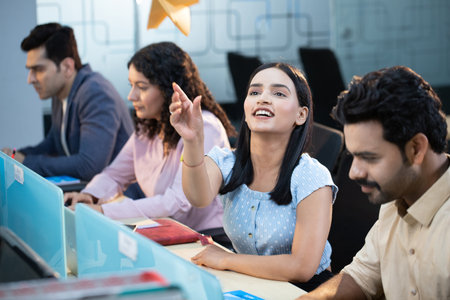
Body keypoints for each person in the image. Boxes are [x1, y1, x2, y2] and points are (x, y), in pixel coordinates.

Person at [170, 62, 337, 291]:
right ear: (247, 110)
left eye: (278, 93)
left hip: (305, 290)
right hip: (249, 283)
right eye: (255, 92)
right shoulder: (226, 162)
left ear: (301, 115)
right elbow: (198, 198)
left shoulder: (311, 176)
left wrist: (227, 259)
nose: (263, 99)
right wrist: (192, 140)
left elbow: (302, 268)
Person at [298, 66, 450, 299]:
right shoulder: (397, 196)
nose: (354, 172)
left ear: (416, 149)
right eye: (353, 156)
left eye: (369, 157)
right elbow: (362, 275)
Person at [64, 42, 236, 232]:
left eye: (142, 87)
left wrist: (103, 211)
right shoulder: (148, 127)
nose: (131, 96)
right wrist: (90, 195)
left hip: (210, 235)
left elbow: (177, 203)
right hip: (170, 232)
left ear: (168, 90)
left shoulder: (204, 128)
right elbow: (114, 175)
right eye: (131, 86)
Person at [2, 23, 133, 181]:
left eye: (38, 69)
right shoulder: (61, 92)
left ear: (67, 67)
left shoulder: (95, 92)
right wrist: (18, 155)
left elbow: (89, 166)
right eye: (30, 70)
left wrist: (28, 162)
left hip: (120, 198)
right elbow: (53, 144)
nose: (30, 79)